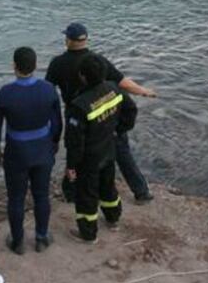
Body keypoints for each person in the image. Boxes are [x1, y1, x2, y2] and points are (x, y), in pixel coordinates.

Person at [46, 22, 157, 204]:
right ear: (86, 39)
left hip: (77, 114)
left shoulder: (57, 63)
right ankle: (141, 192)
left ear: (68, 40)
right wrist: (144, 91)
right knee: (122, 152)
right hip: (106, 113)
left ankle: (72, 193)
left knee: (75, 152)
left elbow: (48, 92)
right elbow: (122, 83)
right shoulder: (97, 61)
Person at [0, 47, 63, 255]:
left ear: (14, 66)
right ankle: (41, 238)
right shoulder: (48, 89)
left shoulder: (5, 93)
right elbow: (57, 122)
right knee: (41, 195)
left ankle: (18, 241)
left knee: (16, 198)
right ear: (36, 65)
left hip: (17, 153)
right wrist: (54, 142)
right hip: (42, 149)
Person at [64, 53, 137, 244]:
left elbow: (74, 142)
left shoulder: (79, 106)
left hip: (89, 159)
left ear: (82, 76)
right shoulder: (114, 90)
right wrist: (118, 130)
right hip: (108, 149)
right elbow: (131, 110)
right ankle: (113, 217)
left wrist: (71, 166)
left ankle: (88, 233)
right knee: (108, 185)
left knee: (87, 195)